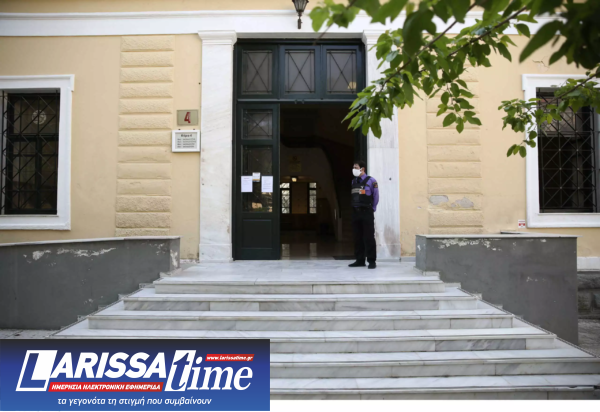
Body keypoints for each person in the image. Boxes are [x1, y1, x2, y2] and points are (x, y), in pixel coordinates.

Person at [348, 160, 379, 269]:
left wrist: (372, 208)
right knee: (357, 237)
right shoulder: (354, 181)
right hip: (356, 213)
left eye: (356, 167)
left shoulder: (371, 181)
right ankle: (360, 260)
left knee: (369, 237)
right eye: (353, 167)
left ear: (362, 169)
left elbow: (376, 196)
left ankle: (371, 261)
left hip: (366, 212)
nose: (354, 169)